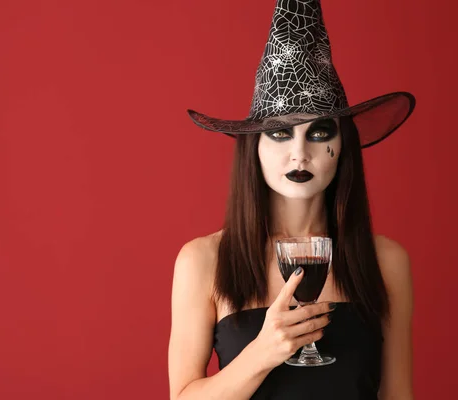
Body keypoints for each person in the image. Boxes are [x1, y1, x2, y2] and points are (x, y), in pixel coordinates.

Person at [168, 1, 416, 399]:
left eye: (319, 133)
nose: (299, 154)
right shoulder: (203, 260)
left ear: (343, 146)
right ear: (255, 147)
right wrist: (262, 353)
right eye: (281, 133)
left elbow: (398, 395)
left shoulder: (385, 262)